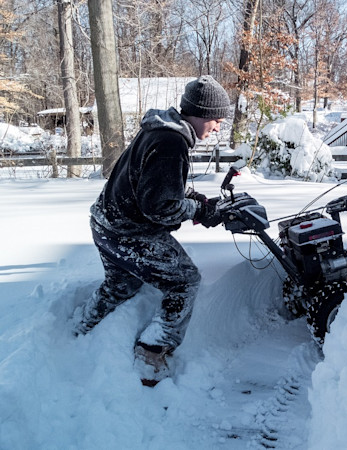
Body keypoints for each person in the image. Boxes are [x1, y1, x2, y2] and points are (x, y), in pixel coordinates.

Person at [73, 75, 231, 386]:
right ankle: (151, 354)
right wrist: (200, 210)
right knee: (185, 281)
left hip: (106, 226)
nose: (217, 127)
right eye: (215, 120)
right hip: (130, 234)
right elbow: (159, 207)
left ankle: (79, 330)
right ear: (199, 113)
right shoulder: (171, 143)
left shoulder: (161, 132)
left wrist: (191, 200)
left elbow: (154, 188)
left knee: (122, 285)